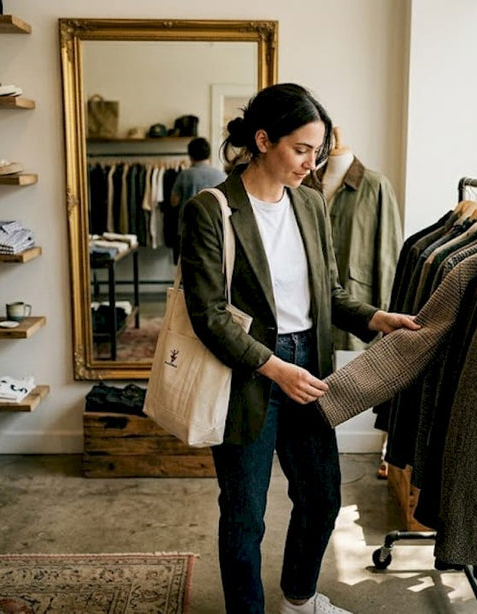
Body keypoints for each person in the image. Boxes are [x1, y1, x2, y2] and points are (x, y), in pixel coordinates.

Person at [179, 83, 419, 614]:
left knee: (321, 496)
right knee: (244, 512)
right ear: (263, 140)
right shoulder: (210, 209)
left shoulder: (309, 204)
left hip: (309, 365)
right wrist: (273, 367)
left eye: (319, 152)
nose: (311, 164)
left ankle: (299, 600)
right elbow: (208, 315)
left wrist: (376, 317)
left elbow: (328, 291)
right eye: (301, 150)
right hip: (248, 373)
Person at [168, 137, 227, 261]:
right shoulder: (222, 176)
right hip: (217, 229)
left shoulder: (184, 175)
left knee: (189, 270)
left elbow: (174, 202)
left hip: (189, 229)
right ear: (209, 154)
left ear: (190, 155)